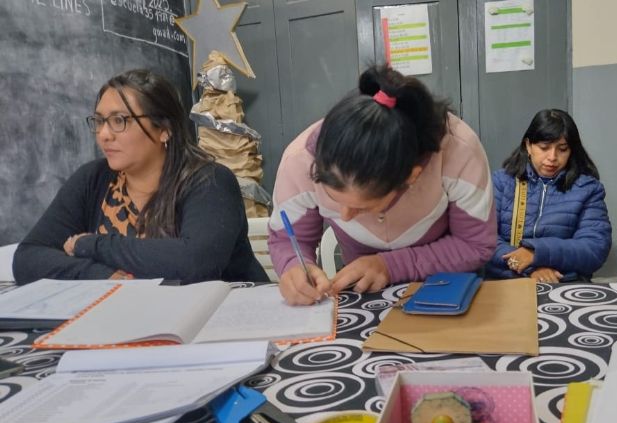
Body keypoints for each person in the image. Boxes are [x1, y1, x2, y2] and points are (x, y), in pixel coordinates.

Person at [13, 69, 267, 284]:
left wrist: (90, 245)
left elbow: (195, 263)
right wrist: (103, 276)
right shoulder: (93, 179)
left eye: (119, 121)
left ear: (164, 130)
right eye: (99, 121)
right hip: (130, 322)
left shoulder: (209, 181)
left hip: (221, 326)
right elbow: (28, 257)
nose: (104, 134)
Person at [269, 65, 496, 305]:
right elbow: (287, 240)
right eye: (335, 199)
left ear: (411, 177)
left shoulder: (459, 152)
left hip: (446, 287)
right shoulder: (299, 161)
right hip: (365, 291)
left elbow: (474, 244)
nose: (344, 217)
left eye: (363, 207)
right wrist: (293, 265)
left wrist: (391, 265)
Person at [485, 109, 611, 282]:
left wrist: (536, 253)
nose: (552, 157)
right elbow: (484, 240)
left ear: (572, 151)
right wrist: (531, 269)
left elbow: (594, 248)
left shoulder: (588, 189)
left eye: (562, 149)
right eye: (544, 148)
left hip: (564, 284)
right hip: (508, 281)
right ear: (528, 146)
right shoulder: (501, 182)